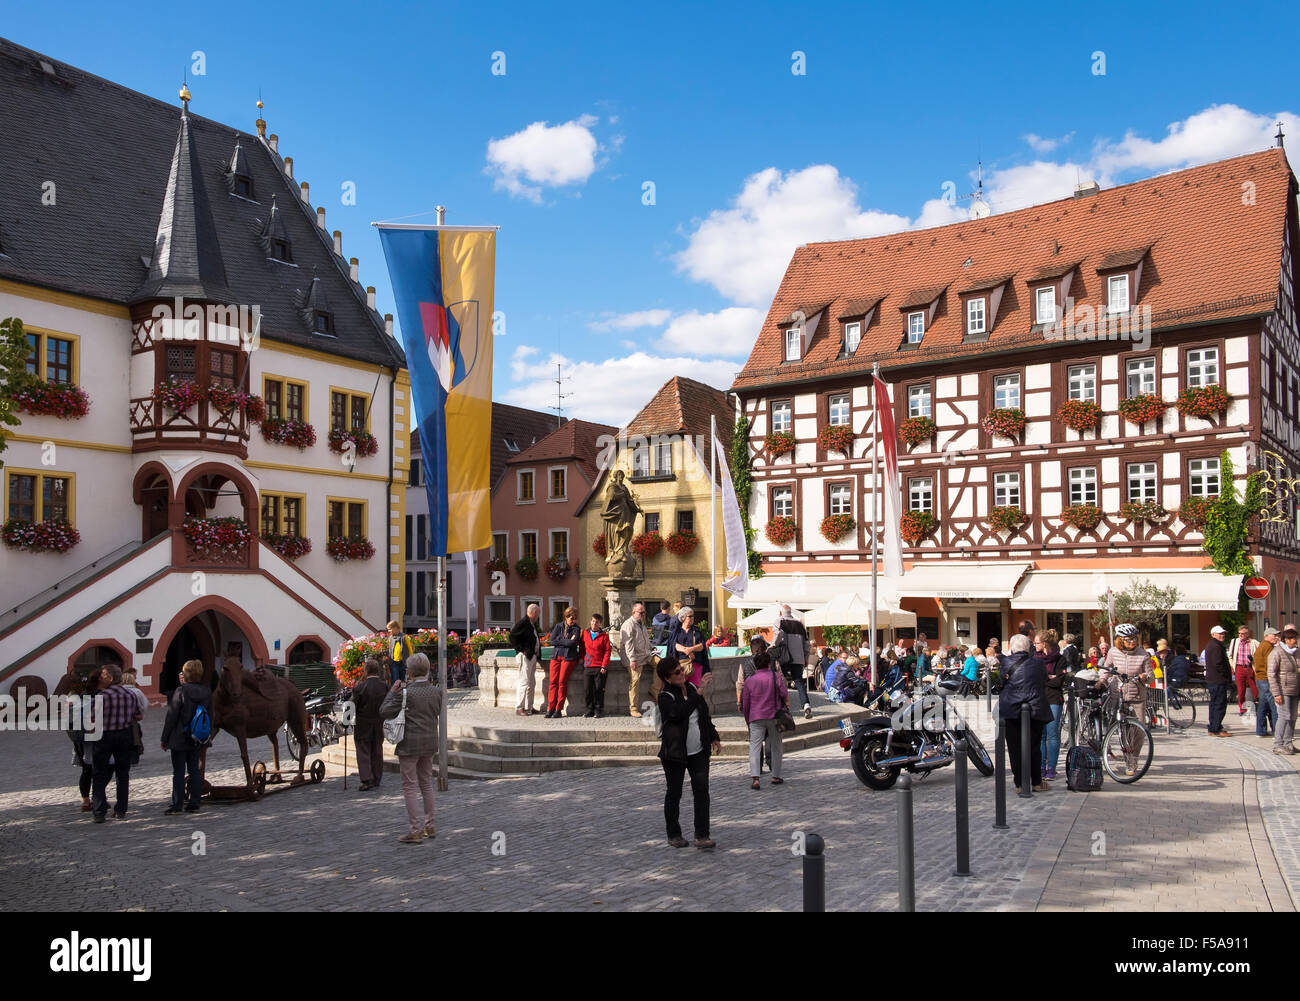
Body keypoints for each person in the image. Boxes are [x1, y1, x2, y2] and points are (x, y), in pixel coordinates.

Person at [656, 657, 721, 849]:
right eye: (677, 672)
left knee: (702, 791)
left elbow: (704, 715)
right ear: (667, 678)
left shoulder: (691, 688)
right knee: (674, 793)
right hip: (675, 753)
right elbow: (678, 713)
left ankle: (702, 835)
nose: (681, 674)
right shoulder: (665, 696)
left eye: (681, 670)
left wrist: (713, 736)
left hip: (698, 751)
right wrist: (698, 692)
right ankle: (674, 834)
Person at [380, 652, 444, 844]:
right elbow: (437, 711)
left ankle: (415, 829)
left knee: (409, 785)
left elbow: (384, 711)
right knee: (426, 783)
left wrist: (393, 692)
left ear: (410, 672)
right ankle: (430, 825)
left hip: (409, 743)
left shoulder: (406, 692)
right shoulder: (437, 691)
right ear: (427, 669)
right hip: (429, 741)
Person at [88, 663, 143, 822]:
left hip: (104, 736)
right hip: (124, 735)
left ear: (110, 678)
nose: (101, 677)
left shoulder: (101, 697)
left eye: (103, 675)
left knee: (99, 773)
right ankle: (121, 809)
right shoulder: (130, 694)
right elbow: (138, 716)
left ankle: (99, 812)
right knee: (122, 773)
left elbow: (91, 717)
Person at [998, 634, 1051, 793]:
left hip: (1011, 709)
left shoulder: (1006, 662)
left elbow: (1002, 682)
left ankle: (1019, 784)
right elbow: (1044, 681)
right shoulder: (1039, 663)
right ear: (1029, 648)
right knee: (1034, 746)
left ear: (1012, 649)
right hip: (1035, 707)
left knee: (1014, 748)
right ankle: (1036, 782)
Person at [160, 658, 212, 814]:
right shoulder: (206, 691)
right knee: (194, 769)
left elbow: (172, 716)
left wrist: (165, 738)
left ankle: (177, 804)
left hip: (180, 737)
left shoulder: (181, 691)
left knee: (178, 771)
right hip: (197, 736)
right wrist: (206, 735)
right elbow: (210, 715)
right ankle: (195, 802)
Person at [1102, 624, 1155, 771]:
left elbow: (1151, 677)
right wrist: (1102, 681)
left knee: (1139, 730)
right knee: (1124, 729)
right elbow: (1107, 669)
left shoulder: (1143, 654)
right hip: (1119, 695)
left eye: (1134, 639)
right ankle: (1128, 760)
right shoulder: (1113, 652)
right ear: (1120, 640)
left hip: (1137, 695)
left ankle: (1135, 757)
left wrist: (1145, 677)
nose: (1132, 642)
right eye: (1128, 639)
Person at [57, 669, 100, 812]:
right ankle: (98, 799)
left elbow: (66, 717)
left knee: (86, 770)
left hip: (79, 737)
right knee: (98, 769)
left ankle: (86, 800)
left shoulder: (75, 697)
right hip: (94, 736)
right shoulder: (100, 697)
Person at [742, 650, 787, 789]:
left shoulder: (749, 681)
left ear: (755, 665)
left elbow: (746, 703)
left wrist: (747, 719)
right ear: (769, 663)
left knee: (754, 747)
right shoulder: (776, 676)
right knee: (776, 746)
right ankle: (776, 776)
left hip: (756, 716)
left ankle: (755, 778)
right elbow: (784, 693)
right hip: (774, 715)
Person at [351, 658, 388, 790]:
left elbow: (351, 705)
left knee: (363, 751)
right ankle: (377, 778)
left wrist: (346, 722)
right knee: (377, 751)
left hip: (363, 724)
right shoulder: (384, 686)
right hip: (378, 722)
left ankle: (367, 779)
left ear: (366, 671)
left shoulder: (360, 687)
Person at [776, 604, 813, 719]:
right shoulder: (800, 624)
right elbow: (807, 645)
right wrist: (805, 658)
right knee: (799, 682)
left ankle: (783, 708)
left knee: (781, 681)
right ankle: (806, 705)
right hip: (798, 658)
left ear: (781, 613)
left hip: (784, 657)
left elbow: (778, 635)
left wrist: (772, 646)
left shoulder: (779, 621)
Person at [1038, 629, 1065, 781]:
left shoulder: (1060, 659)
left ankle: (1051, 768)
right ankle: (1041, 766)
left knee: (1052, 734)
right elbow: (1035, 678)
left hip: (1054, 699)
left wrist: (1046, 678)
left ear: (1045, 644)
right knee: (1041, 735)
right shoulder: (1036, 659)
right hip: (1040, 699)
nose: (1034, 645)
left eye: (1037, 643)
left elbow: (1059, 681)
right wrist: (1049, 677)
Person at [1267, 627, 1300, 755]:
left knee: (1292, 717)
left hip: (1295, 689)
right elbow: (1271, 674)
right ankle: (1278, 744)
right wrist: (1276, 693)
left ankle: (1288, 743)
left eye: (1295, 638)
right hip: (1283, 690)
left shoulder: (1296, 652)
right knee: (1283, 717)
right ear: (1286, 640)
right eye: (1292, 638)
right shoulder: (1277, 652)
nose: (1295, 641)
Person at [619, 600, 653, 717]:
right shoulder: (629, 624)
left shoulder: (641, 623)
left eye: (644, 612)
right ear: (634, 612)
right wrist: (632, 660)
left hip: (645, 654)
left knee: (662, 664)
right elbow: (628, 644)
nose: (643, 614)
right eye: (641, 612)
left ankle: (655, 690)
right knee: (635, 679)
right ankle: (633, 708)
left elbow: (645, 640)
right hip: (632, 657)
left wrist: (652, 648)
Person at [547, 607, 582, 718]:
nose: (573, 621)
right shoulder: (558, 626)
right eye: (572, 618)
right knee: (553, 682)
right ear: (566, 617)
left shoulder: (577, 629)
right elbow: (552, 641)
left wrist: (560, 640)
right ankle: (550, 708)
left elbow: (573, 643)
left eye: (575, 618)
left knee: (562, 682)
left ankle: (558, 709)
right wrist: (567, 641)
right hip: (556, 656)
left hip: (569, 658)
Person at [509, 603, 543, 716]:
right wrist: (522, 650)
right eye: (538, 613)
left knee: (531, 683)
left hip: (532, 656)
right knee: (524, 682)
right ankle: (519, 707)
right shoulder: (524, 622)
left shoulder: (531, 623)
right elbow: (512, 636)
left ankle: (529, 707)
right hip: (526, 656)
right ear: (533, 613)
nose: (538, 616)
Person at [667, 607, 710, 688]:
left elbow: (702, 645)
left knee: (694, 689)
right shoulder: (676, 631)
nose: (692, 618)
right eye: (690, 616)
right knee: (680, 689)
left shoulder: (696, 631)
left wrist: (691, 649)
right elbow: (673, 644)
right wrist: (686, 651)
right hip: (680, 665)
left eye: (693, 616)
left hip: (695, 664)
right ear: (683, 617)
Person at [581, 613, 611, 718]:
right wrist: (581, 659)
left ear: (600, 624)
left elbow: (607, 652)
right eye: (593, 621)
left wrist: (604, 666)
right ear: (591, 621)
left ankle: (598, 710)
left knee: (599, 689)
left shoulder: (604, 636)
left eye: (597, 622)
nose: (594, 623)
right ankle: (589, 710)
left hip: (599, 667)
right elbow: (581, 647)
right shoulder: (585, 633)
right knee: (587, 689)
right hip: (588, 666)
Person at [1204, 624, 1231, 736]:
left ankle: (1214, 727)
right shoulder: (1215, 646)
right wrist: (1225, 675)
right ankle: (1216, 728)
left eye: (1223, 633)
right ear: (1213, 634)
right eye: (1220, 633)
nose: (1222, 635)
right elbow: (1218, 664)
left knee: (1215, 704)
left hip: (1214, 679)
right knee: (1219, 705)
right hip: (1218, 680)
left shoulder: (1213, 645)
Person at [1228, 625, 1259, 718]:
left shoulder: (1254, 643)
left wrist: (1254, 661)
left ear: (1248, 634)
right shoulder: (1234, 642)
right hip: (1239, 667)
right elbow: (1230, 655)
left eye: (1243, 633)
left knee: (1255, 688)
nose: (1241, 635)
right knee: (1241, 690)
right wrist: (1232, 666)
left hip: (1250, 667)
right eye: (1240, 633)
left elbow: (1259, 655)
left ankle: (1258, 707)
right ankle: (1242, 709)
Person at [1254, 626, 1279, 738]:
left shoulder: (1262, 646)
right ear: (1267, 636)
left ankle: (1261, 731)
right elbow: (1271, 664)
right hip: (1266, 679)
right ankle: (1277, 731)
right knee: (1274, 705)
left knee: (1263, 706)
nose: (1276, 637)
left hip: (1261, 678)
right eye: (1274, 635)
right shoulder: (1268, 647)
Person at [385, 619, 417, 686]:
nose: (388, 631)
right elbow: (390, 650)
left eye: (390, 629)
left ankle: (402, 692)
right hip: (394, 662)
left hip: (403, 662)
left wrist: (411, 659)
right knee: (395, 679)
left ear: (395, 628)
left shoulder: (404, 637)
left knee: (403, 679)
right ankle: (395, 692)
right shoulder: (391, 638)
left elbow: (410, 649)